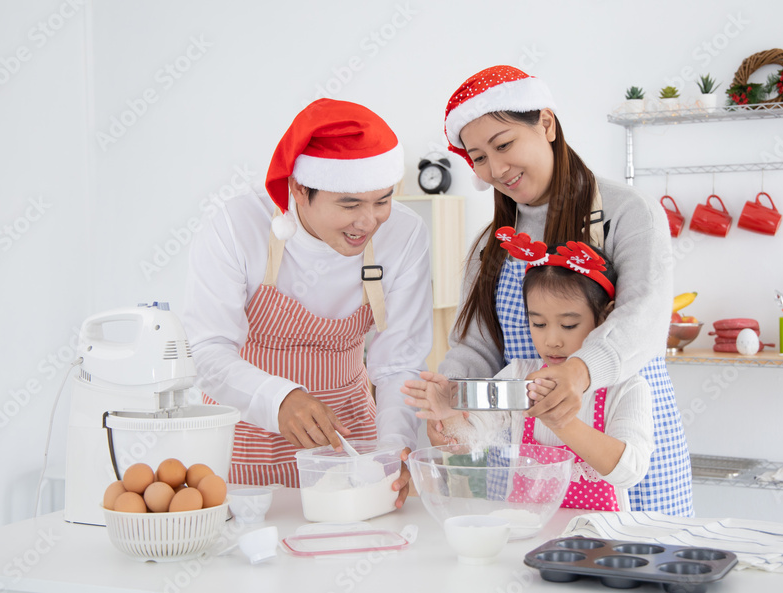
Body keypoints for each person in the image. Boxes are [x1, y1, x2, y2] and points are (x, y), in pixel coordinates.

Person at [436, 65, 693, 515]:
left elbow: (644, 318)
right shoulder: (490, 245)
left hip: (620, 449)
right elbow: (475, 349)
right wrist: (452, 402)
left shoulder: (626, 213)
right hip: (525, 462)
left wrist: (578, 372)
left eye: (503, 144)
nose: (496, 169)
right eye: (478, 157)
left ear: (547, 124)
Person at [182, 98, 432, 508]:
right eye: (350, 204)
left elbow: (398, 364)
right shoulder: (236, 225)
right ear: (299, 189)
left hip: (349, 438)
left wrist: (391, 450)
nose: (368, 222)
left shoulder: (405, 234)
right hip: (244, 435)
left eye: (382, 200)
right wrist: (278, 398)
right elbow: (206, 351)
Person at [403, 228, 653, 510]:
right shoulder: (518, 375)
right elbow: (470, 438)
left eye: (569, 325)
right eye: (538, 324)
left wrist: (561, 420)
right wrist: (447, 413)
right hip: (527, 530)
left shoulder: (626, 387)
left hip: (597, 539)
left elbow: (630, 471)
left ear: (605, 317)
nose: (552, 340)